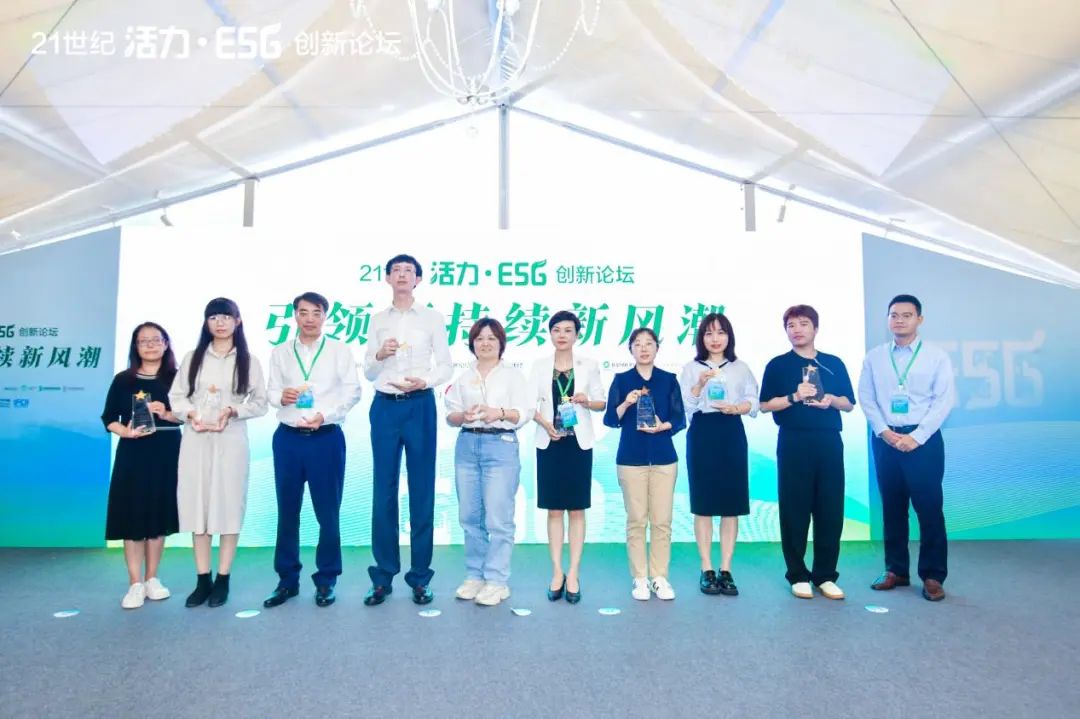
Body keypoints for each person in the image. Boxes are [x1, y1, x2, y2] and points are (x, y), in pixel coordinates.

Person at [363, 254, 452, 606]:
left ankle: (420, 577)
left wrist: (424, 381)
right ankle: (383, 576)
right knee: (383, 490)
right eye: (396, 271)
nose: (402, 275)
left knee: (422, 490)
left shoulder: (432, 318)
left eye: (408, 271)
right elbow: (369, 372)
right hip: (385, 407)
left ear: (418, 279)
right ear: (387, 278)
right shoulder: (377, 320)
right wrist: (379, 355)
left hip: (419, 406)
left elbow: (445, 366)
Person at [263, 292, 361, 609]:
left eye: (316, 313)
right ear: (294, 315)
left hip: (325, 438)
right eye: (303, 312)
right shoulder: (280, 351)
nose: (309, 319)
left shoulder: (338, 350)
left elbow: (352, 392)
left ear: (324, 316)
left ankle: (326, 580)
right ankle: (287, 580)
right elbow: (271, 391)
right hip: (288, 439)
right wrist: (282, 396)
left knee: (328, 514)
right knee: (287, 512)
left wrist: (325, 415)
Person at [169, 298, 267, 608]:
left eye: (226, 317)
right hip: (196, 440)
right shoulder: (193, 358)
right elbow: (176, 397)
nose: (220, 323)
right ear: (206, 322)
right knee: (198, 507)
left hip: (231, 440)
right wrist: (190, 414)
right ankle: (202, 579)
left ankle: (223, 578)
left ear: (238, 321)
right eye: (213, 317)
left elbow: (260, 403)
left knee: (228, 507)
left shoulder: (248, 361)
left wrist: (233, 411)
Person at [858, 294, 956, 602]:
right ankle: (896, 570)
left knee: (929, 509)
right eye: (894, 315)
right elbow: (866, 397)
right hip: (886, 440)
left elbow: (944, 401)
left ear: (919, 320)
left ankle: (933, 575)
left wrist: (917, 436)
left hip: (923, 442)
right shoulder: (874, 357)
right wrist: (884, 432)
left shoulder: (936, 357)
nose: (899, 320)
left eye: (906, 315)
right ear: (888, 319)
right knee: (892, 507)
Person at [759, 305, 855, 601]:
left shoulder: (833, 363)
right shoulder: (777, 365)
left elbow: (849, 403)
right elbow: (765, 405)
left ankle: (825, 575)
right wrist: (794, 396)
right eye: (791, 325)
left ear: (815, 328)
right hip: (793, 441)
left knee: (830, 509)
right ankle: (798, 574)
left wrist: (830, 400)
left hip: (828, 441)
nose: (797, 330)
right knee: (794, 508)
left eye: (803, 323)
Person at [445, 319, 532, 607]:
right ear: (472, 343)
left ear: (501, 343)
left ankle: (497, 580)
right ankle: (475, 575)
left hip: (500, 445)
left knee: (498, 518)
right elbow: (450, 415)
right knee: (469, 517)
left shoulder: (513, 376)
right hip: (467, 444)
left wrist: (500, 412)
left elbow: (525, 412)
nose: (485, 343)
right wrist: (463, 416)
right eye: (480, 338)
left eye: (491, 338)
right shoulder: (463, 376)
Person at [101, 322, 183, 609]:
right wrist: (126, 432)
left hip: (167, 450)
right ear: (135, 346)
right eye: (143, 341)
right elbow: (109, 418)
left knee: (158, 516)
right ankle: (135, 583)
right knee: (132, 515)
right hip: (133, 452)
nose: (150, 345)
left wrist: (167, 413)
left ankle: (152, 578)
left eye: (155, 340)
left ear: (166, 343)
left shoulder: (178, 378)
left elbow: (188, 415)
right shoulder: (123, 380)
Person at [679, 312, 759, 597]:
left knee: (730, 504)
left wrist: (737, 408)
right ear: (701, 338)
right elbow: (685, 406)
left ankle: (726, 569)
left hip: (731, 430)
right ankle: (706, 568)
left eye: (721, 332)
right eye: (709, 333)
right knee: (703, 504)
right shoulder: (691, 368)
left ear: (729, 336)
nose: (715, 339)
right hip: (702, 432)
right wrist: (700, 384)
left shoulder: (740, 367)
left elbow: (754, 400)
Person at [528, 310, 606, 604]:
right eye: (556, 330)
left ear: (577, 335)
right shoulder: (539, 366)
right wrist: (545, 424)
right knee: (553, 511)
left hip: (578, 444)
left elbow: (601, 402)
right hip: (550, 442)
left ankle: (573, 572)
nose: (562, 335)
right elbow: (528, 405)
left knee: (576, 510)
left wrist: (587, 401)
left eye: (568, 330)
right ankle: (557, 572)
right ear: (550, 334)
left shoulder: (589, 365)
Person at [603, 328, 686, 601]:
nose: (643, 348)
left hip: (664, 458)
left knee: (662, 521)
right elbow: (610, 419)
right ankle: (639, 578)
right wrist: (626, 403)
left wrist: (664, 426)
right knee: (637, 520)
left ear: (657, 348)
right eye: (637, 344)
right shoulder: (622, 380)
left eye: (649, 343)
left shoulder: (668, 380)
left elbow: (679, 418)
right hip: (631, 459)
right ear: (631, 350)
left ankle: (659, 577)